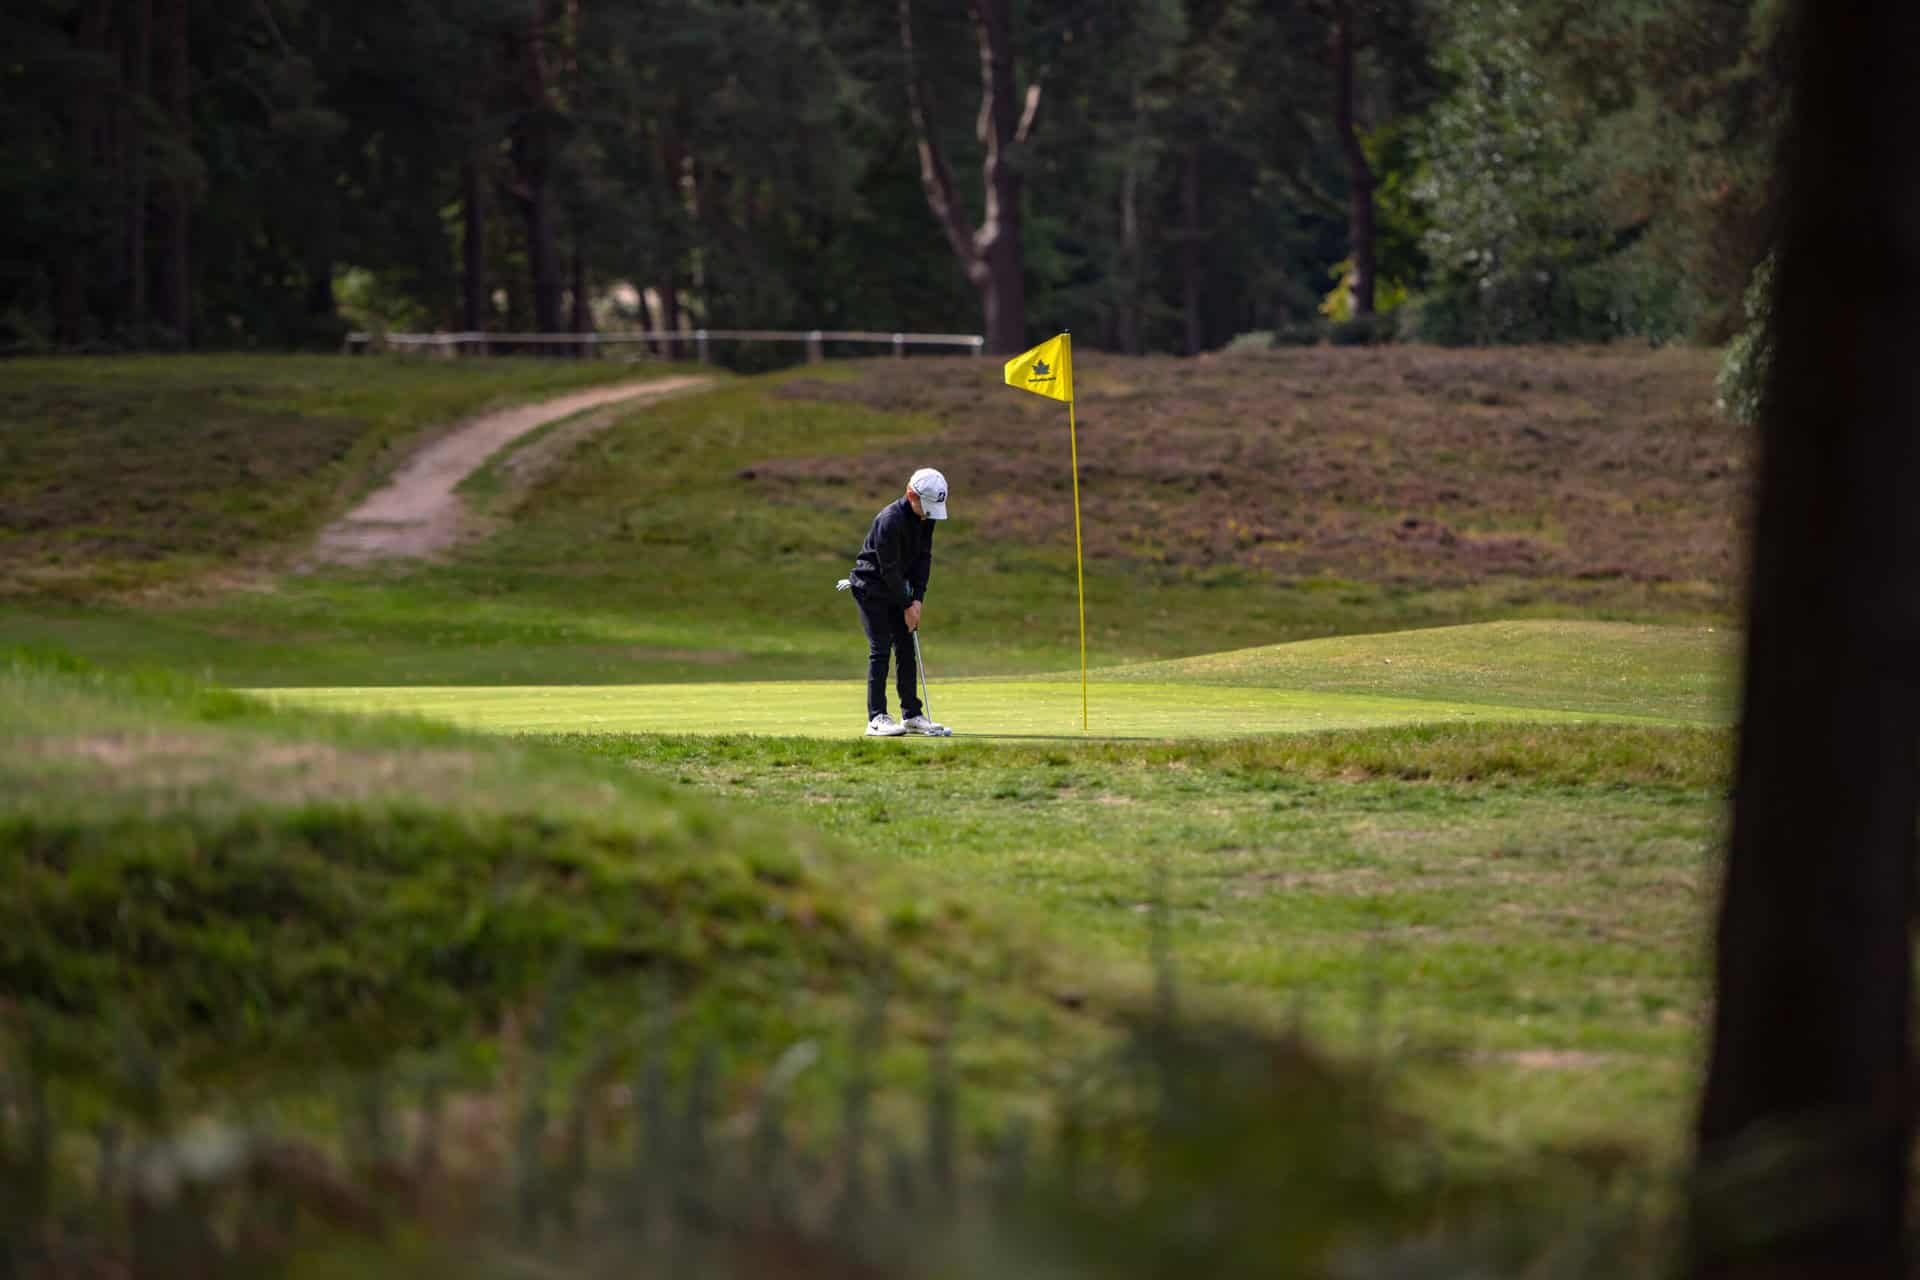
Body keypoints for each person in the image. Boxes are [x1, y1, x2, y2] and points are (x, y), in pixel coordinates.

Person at [840, 467, 950, 736]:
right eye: (925, 506)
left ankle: (911, 715)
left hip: (898, 587)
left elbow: (923, 558)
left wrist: (918, 601)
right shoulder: (890, 520)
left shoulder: (927, 517)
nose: (928, 513)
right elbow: (889, 569)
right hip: (872, 588)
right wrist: (906, 605)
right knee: (881, 648)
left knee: (906, 647)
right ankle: (876, 717)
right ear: (911, 494)